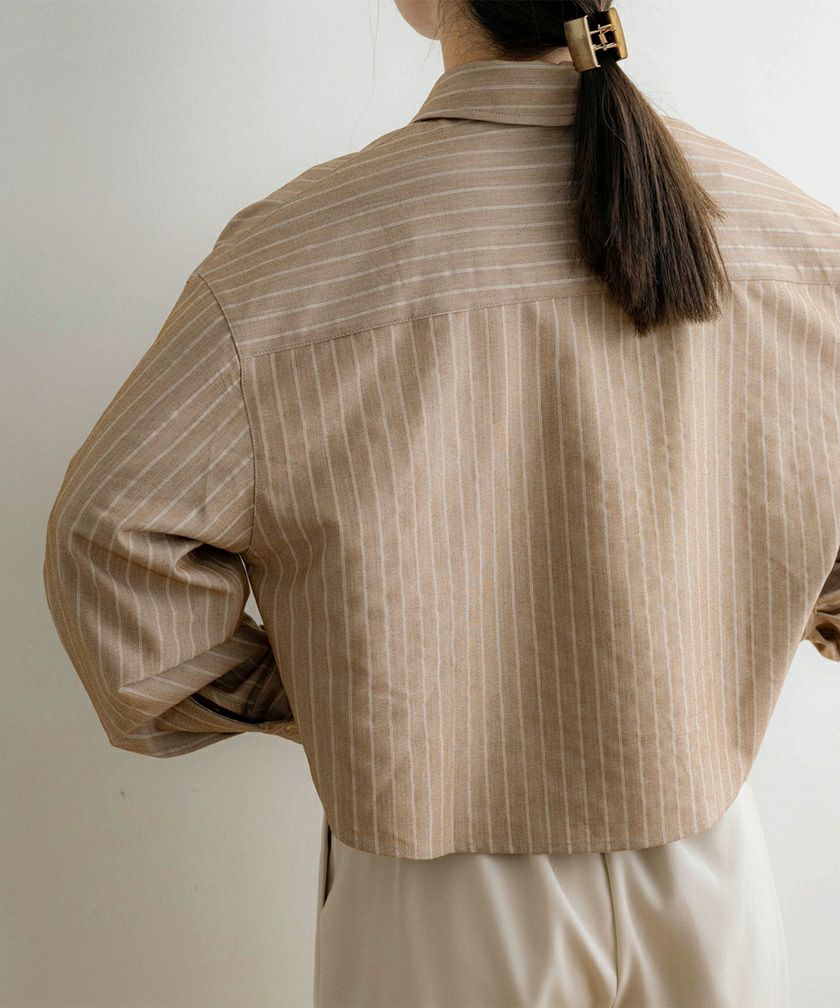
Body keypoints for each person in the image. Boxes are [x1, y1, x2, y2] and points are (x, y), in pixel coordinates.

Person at [42, 1, 840, 1006]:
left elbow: (107, 535)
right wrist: (737, 626)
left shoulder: (293, 257)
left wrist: (328, 696)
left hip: (437, 890)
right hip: (713, 870)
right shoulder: (795, 239)